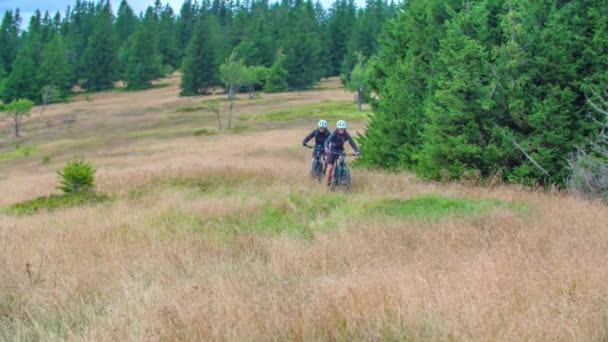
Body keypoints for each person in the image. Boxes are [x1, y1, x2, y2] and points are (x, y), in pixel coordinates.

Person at [324, 120, 359, 186]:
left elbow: (352, 142)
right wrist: (326, 147)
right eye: (340, 129)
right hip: (332, 151)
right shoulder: (334, 134)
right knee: (330, 168)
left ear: (344, 128)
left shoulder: (346, 134)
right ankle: (327, 184)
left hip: (340, 151)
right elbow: (327, 141)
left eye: (342, 129)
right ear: (337, 128)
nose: (341, 130)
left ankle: (342, 175)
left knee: (342, 162)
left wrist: (356, 151)